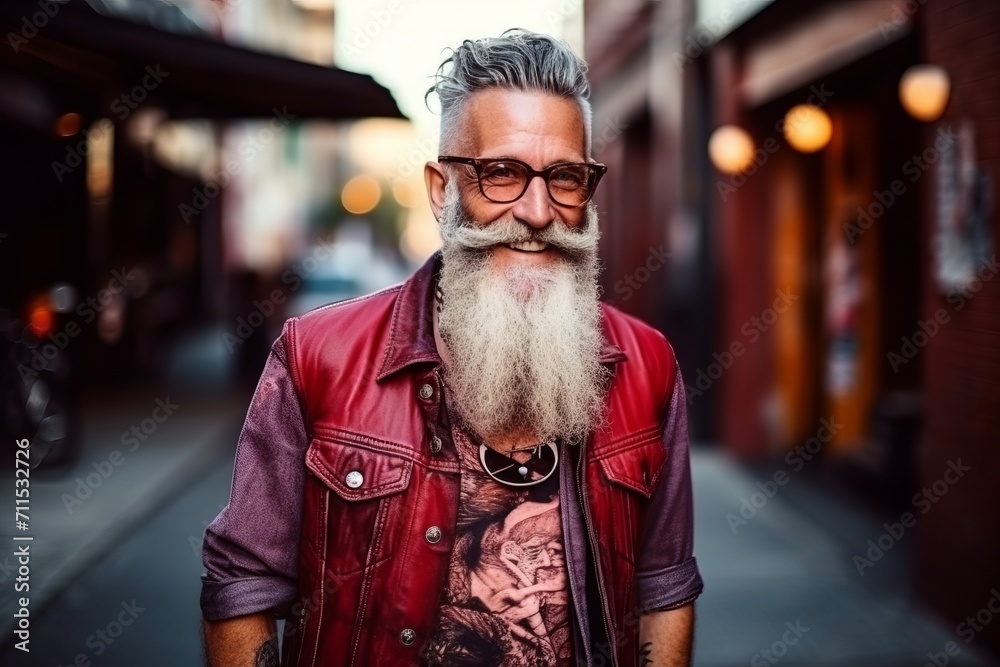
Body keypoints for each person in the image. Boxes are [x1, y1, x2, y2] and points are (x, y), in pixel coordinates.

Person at [200, 29, 703, 667]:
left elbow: (663, 588)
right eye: (501, 174)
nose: (539, 211)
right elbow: (243, 587)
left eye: (566, 178)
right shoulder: (317, 357)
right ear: (442, 190)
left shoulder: (648, 365)